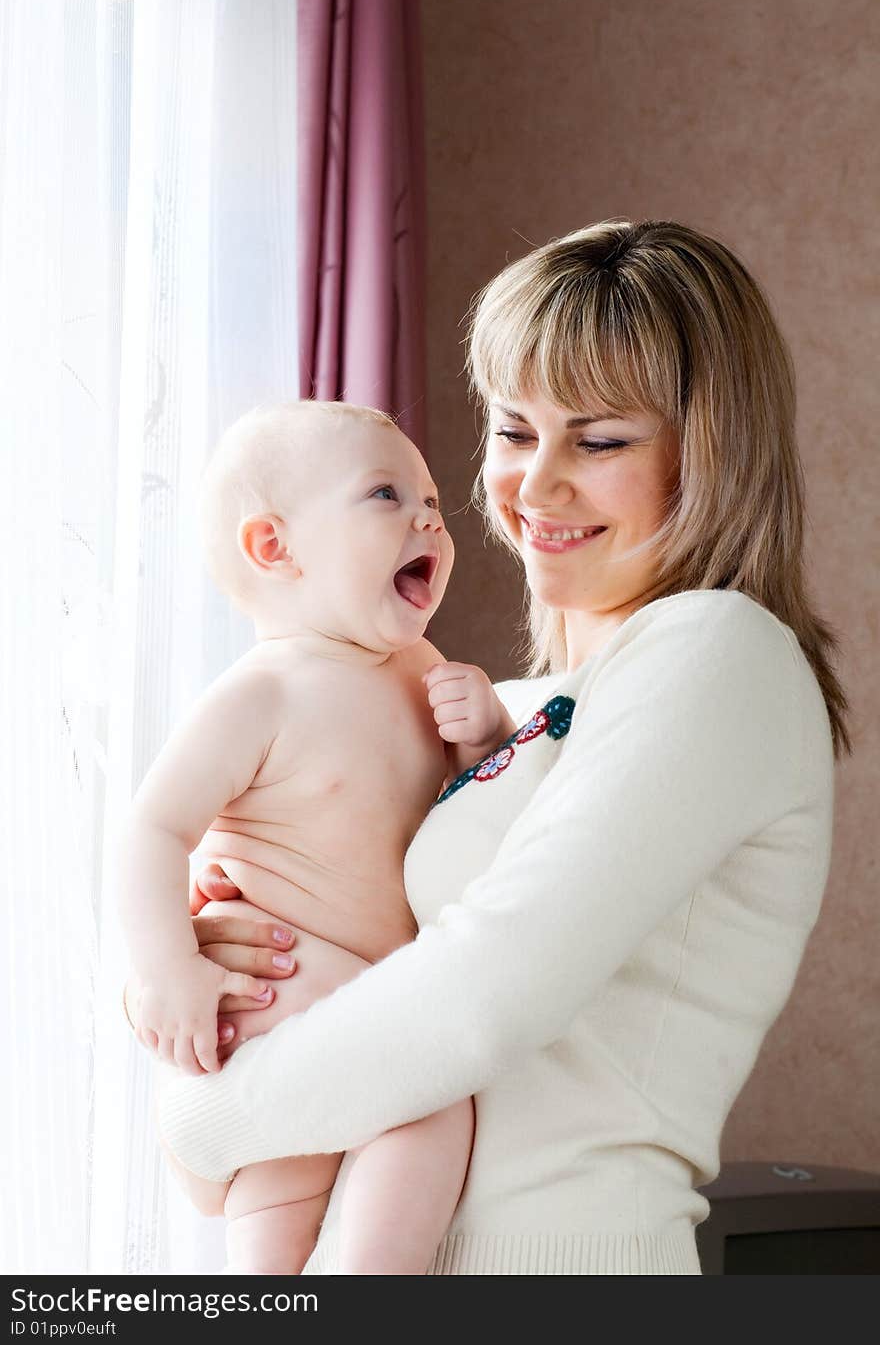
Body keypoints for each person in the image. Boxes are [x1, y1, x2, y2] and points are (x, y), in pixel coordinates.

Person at [132, 219, 850, 1276]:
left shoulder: (716, 652)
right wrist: (194, 971)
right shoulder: (510, 709)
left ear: (707, 454)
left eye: (597, 440)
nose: (534, 484)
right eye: (515, 432)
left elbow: (480, 996)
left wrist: (208, 1117)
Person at [118, 399, 520, 1274]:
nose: (427, 517)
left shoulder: (423, 670)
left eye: (431, 502)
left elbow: (463, 819)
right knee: (429, 1105)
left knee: (296, 1194)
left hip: (359, 985)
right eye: (385, 495)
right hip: (283, 978)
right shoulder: (262, 693)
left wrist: (487, 740)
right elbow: (150, 829)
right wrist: (164, 970)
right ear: (276, 548)